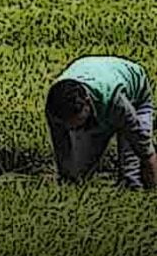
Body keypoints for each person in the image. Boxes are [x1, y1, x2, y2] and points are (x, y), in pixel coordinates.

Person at [46, 56, 157, 189]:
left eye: (75, 123)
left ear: (87, 101)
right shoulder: (54, 106)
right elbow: (61, 147)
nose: (71, 129)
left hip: (136, 97)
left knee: (131, 175)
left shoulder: (116, 102)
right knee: (78, 174)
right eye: (68, 125)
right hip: (97, 78)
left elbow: (145, 151)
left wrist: (152, 188)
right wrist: (66, 178)